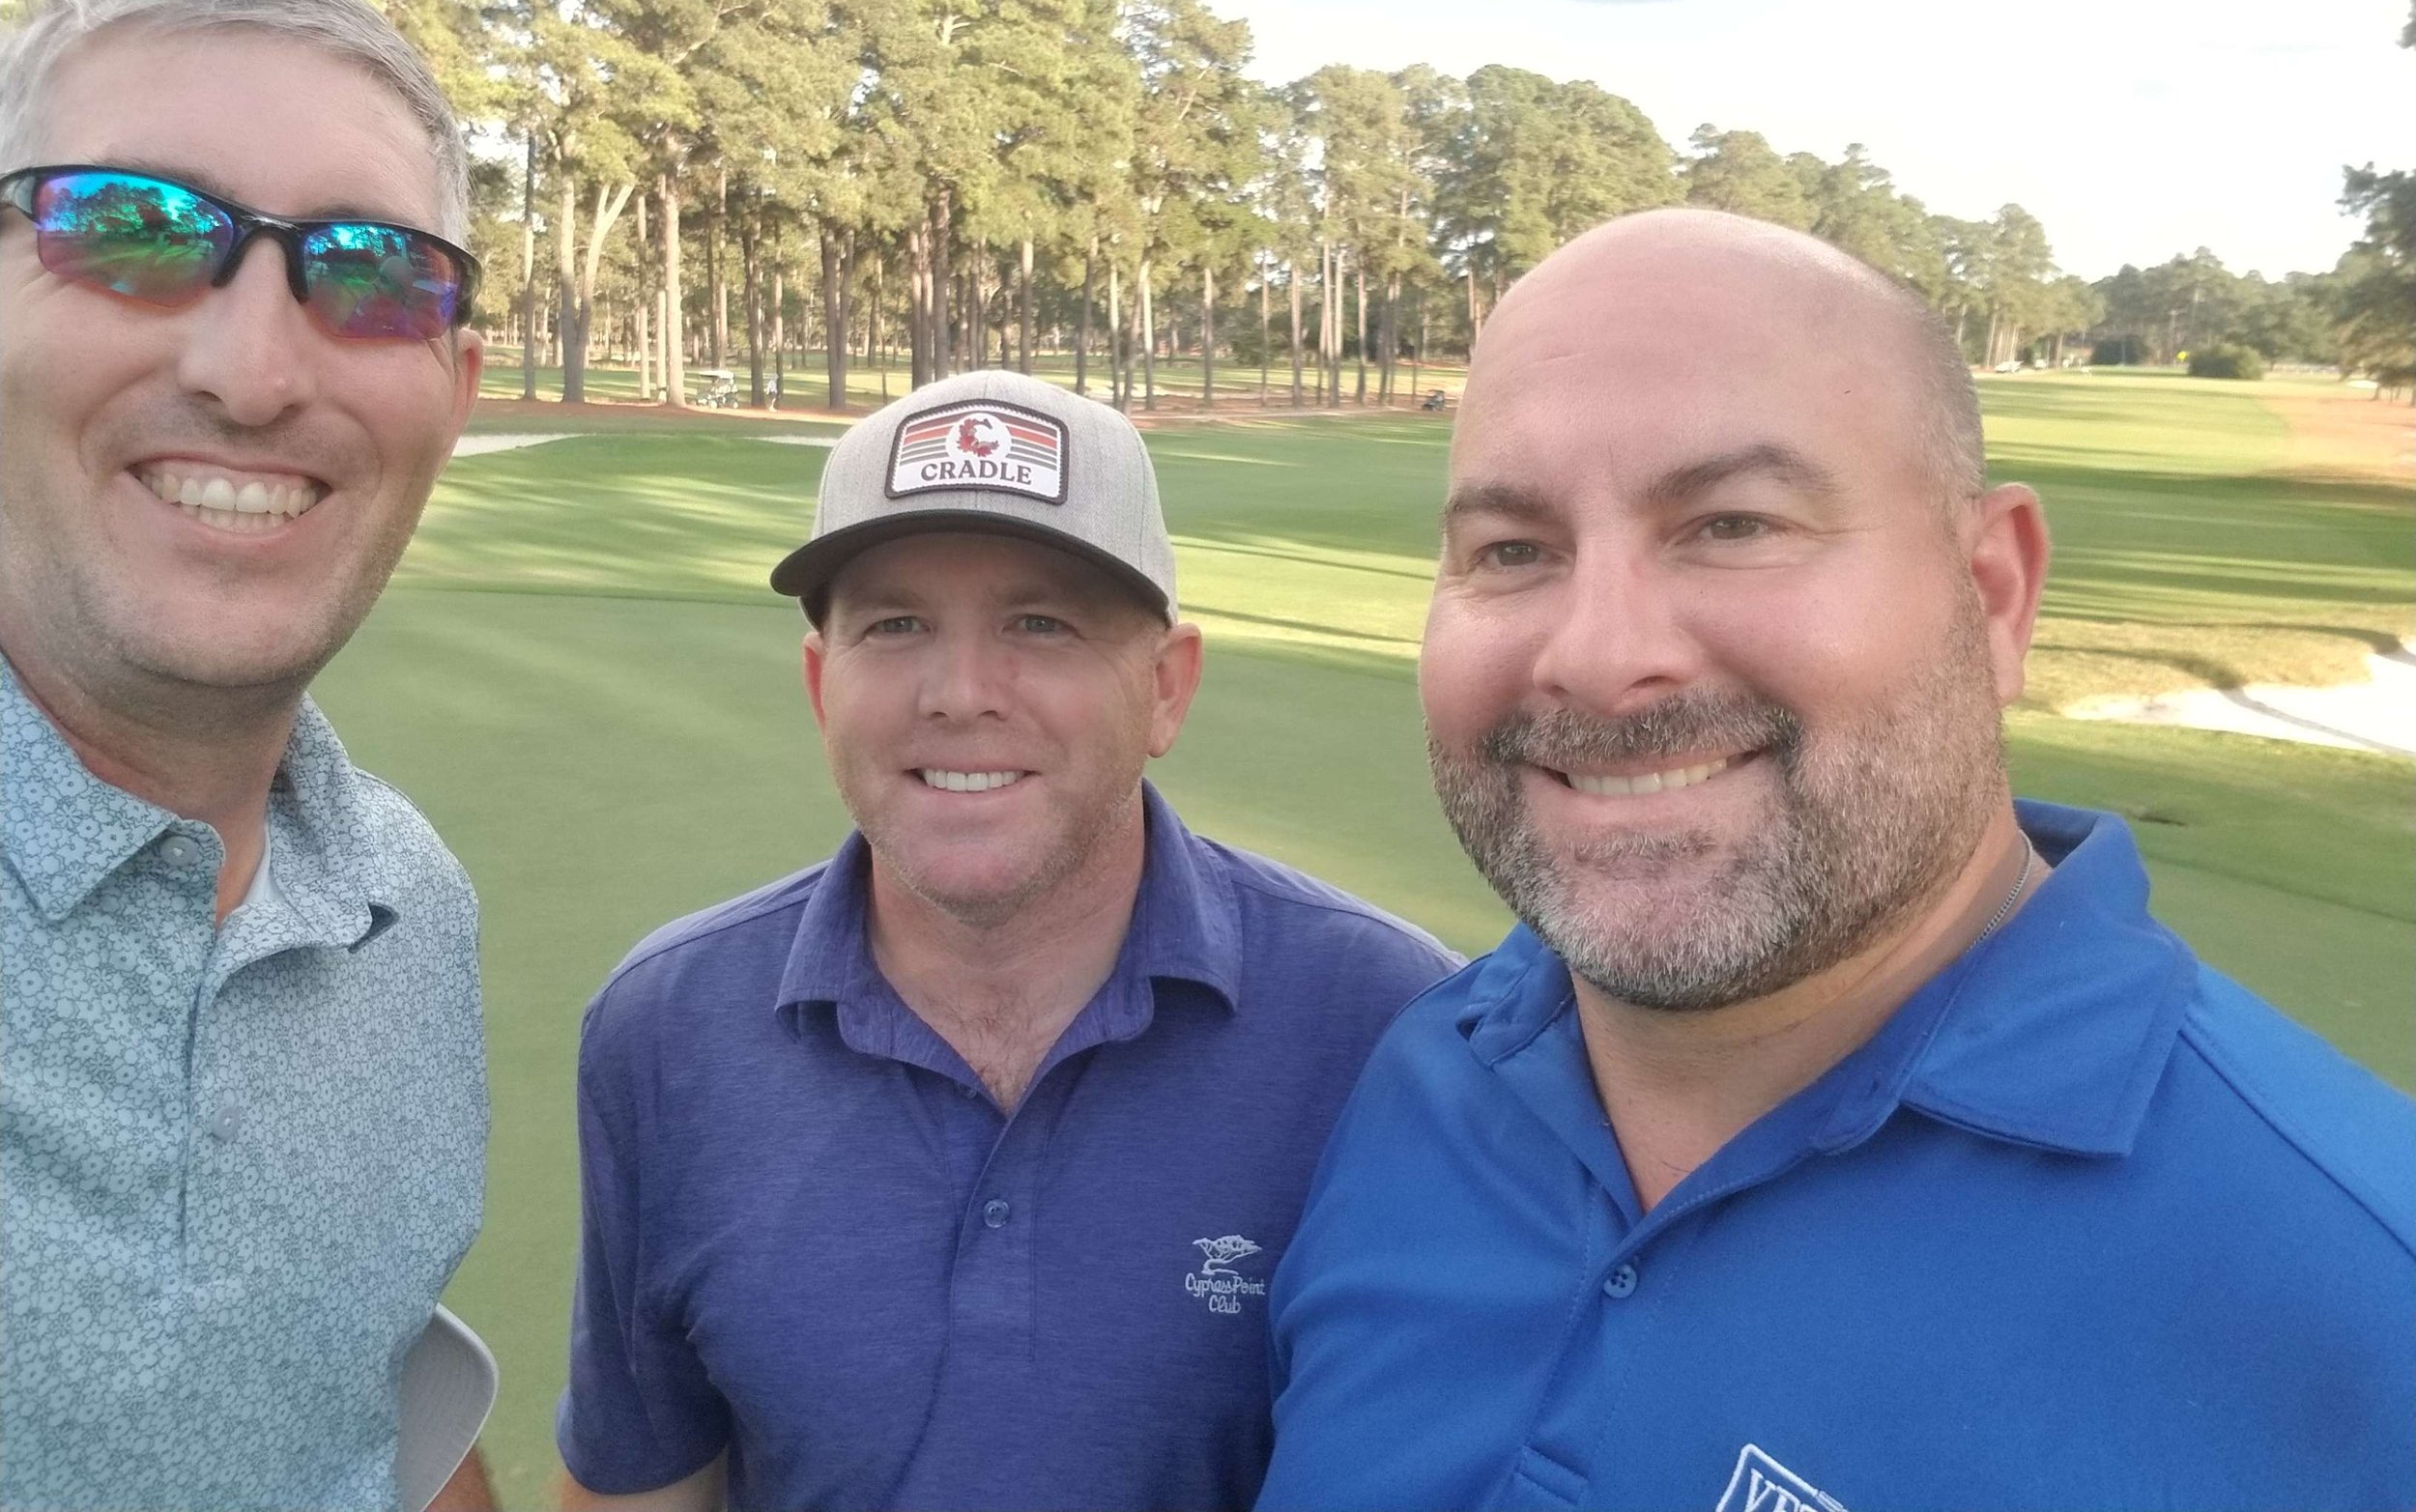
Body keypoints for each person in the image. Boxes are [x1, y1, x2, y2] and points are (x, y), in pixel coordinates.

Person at [1257, 209, 2415, 1512]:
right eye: (1511, 549)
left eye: (1734, 522)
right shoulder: (1426, 1075)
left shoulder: (2366, 1298)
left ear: (1992, 594)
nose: (1595, 650)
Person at [558, 368, 1456, 1512]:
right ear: (820, 684)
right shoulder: (664, 1029)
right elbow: (640, 1483)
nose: (961, 691)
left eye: (1041, 623)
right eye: (896, 625)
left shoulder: (1389, 1026)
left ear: (1166, 689)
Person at [0, 0, 495, 1510]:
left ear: (454, 385)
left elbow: (361, 1402)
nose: (252, 370)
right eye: (132, 232)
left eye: (367, 271)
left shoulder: (405, 905)